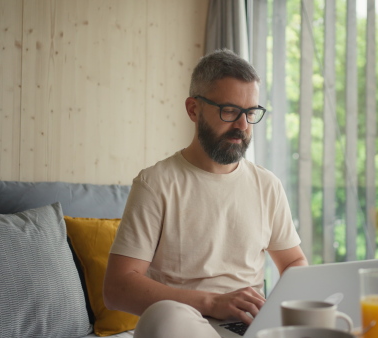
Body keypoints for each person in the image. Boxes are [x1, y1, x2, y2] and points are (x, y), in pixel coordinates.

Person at [103, 49, 308, 338]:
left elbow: (294, 262)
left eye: (250, 113)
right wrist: (213, 302)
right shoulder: (156, 184)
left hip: (250, 328)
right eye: (230, 111)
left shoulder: (267, 185)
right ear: (193, 109)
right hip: (185, 325)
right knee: (164, 316)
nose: (243, 126)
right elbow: (117, 288)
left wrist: (277, 310)